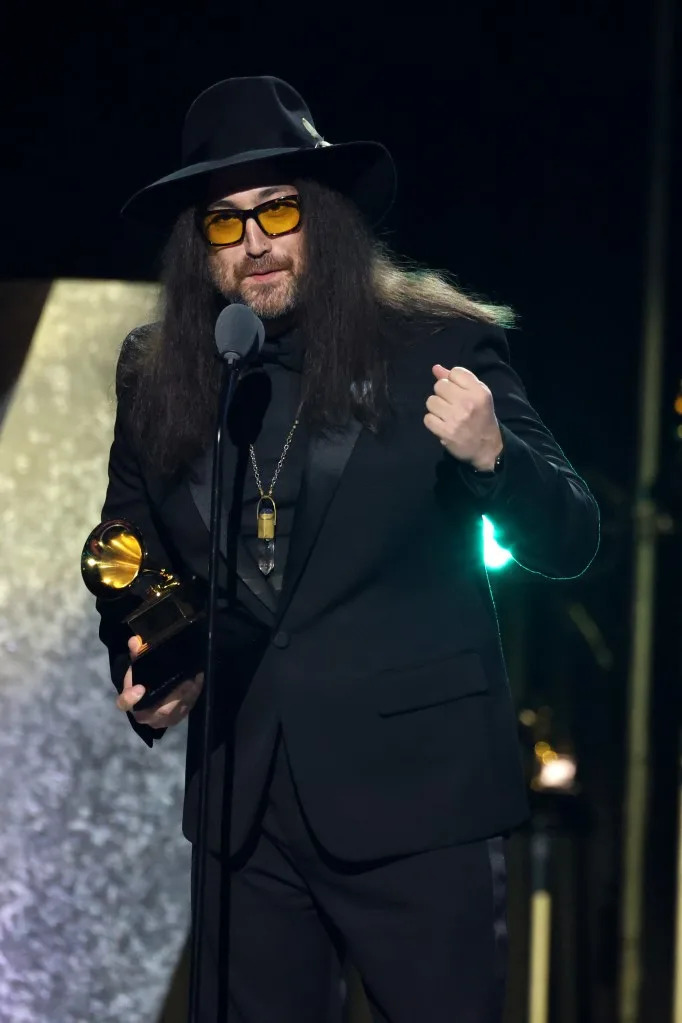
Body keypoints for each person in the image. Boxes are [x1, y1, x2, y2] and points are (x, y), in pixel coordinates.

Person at [95, 75, 599, 1022]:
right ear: (199, 244)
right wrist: (149, 660)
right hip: (244, 804)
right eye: (225, 222)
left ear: (322, 218)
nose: (254, 243)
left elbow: (571, 536)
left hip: (420, 803)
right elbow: (125, 544)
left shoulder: (433, 342)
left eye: (277, 211)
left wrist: (495, 459)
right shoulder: (161, 368)